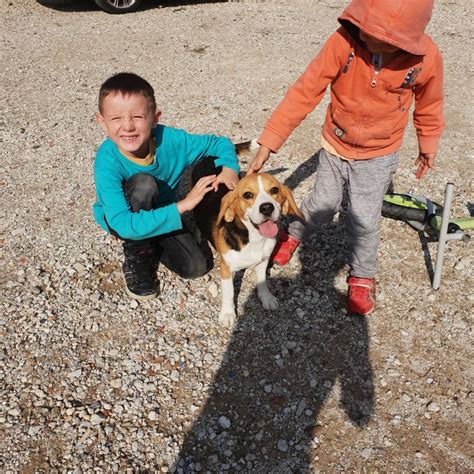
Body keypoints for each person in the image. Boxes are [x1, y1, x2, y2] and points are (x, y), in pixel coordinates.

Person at [247, 0, 444, 315]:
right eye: (363, 25)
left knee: (364, 217)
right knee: (322, 202)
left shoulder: (425, 58)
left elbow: (430, 103)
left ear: (404, 39)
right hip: (335, 144)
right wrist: (270, 142)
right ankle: (293, 234)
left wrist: (428, 142)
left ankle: (363, 274)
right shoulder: (344, 41)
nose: (365, 35)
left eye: (376, 33)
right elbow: (305, 91)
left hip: (379, 153)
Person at [93, 72, 239, 301]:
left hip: (163, 210)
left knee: (196, 267)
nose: (128, 126)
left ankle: (154, 239)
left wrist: (229, 168)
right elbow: (122, 223)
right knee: (144, 184)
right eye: (116, 118)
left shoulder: (171, 140)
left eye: (138, 117)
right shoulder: (106, 161)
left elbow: (218, 143)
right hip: (127, 217)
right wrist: (185, 204)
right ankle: (139, 252)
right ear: (102, 122)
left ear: (155, 118)